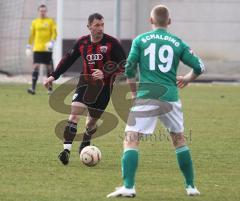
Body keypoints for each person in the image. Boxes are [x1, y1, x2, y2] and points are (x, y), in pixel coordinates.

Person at [107, 4, 205, 198]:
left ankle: (129, 186)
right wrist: (187, 78)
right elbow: (200, 66)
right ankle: (191, 186)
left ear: (151, 20)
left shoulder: (140, 40)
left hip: (147, 96)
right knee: (179, 140)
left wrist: (134, 93)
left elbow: (129, 69)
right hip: (171, 97)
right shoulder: (177, 43)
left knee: (131, 138)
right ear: (169, 22)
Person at [44, 13, 126, 165]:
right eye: (97, 25)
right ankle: (66, 151)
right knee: (74, 114)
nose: (100, 28)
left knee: (90, 123)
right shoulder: (82, 43)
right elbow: (67, 59)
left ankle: (86, 139)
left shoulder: (111, 43)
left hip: (104, 87)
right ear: (89, 27)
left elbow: (124, 64)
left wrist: (105, 72)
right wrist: (53, 76)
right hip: (85, 83)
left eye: (102, 25)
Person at [26, 4, 57, 95]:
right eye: (41, 11)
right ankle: (33, 88)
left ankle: (50, 89)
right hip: (37, 48)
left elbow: (54, 33)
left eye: (44, 11)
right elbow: (32, 35)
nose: (42, 12)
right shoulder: (35, 22)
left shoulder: (50, 21)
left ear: (46, 11)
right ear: (38, 11)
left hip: (47, 49)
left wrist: (52, 42)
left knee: (49, 68)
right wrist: (28, 45)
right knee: (36, 66)